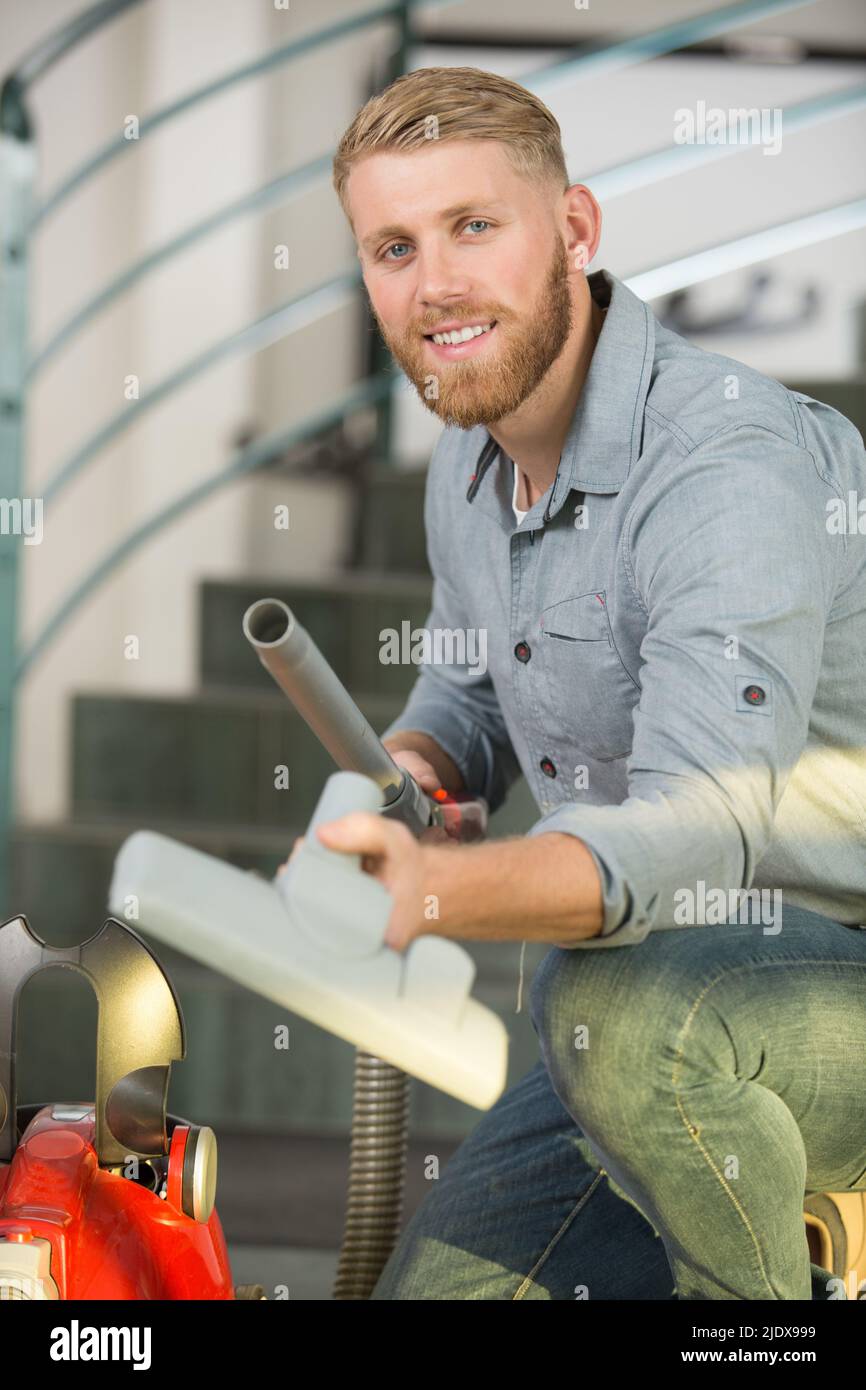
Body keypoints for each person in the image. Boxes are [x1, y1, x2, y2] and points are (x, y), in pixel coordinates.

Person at [300, 65, 866, 1299]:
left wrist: (438, 897)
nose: (433, 283)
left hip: (815, 980)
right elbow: (471, 677)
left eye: (472, 226)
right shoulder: (469, 460)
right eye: (392, 246)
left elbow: (696, 836)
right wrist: (420, 770)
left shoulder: (725, 468)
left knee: (625, 997)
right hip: (652, 1002)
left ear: (573, 230)